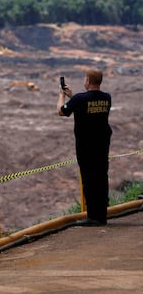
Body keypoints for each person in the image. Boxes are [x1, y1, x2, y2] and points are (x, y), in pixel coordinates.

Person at [57, 69, 112, 226]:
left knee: (89, 179)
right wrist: (73, 97)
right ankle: (101, 214)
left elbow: (61, 111)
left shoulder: (80, 99)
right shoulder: (107, 98)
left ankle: (93, 217)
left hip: (86, 146)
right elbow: (88, 107)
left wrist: (62, 95)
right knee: (101, 178)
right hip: (102, 145)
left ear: (88, 80)